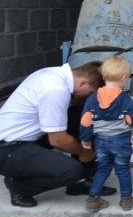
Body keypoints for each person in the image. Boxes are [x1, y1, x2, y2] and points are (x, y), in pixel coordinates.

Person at [0, 62, 114, 208]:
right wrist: (84, 151)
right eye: (92, 92)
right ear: (83, 83)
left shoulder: (54, 74)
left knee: (87, 115)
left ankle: (79, 182)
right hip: (8, 150)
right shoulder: (55, 90)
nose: (90, 96)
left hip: (26, 138)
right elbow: (57, 140)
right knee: (71, 170)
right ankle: (19, 187)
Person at [79, 56, 133, 211]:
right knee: (123, 170)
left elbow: (85, 121)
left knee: (102, 170)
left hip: (100, 141)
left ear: (104, 76)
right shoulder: (125, 99)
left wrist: (85, 140)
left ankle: (93, 199)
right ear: (123, 77)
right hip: (121, 141)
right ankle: (126, 200)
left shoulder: (93, 98)